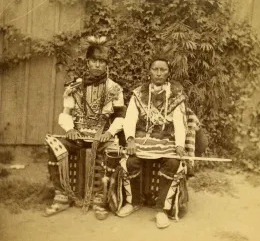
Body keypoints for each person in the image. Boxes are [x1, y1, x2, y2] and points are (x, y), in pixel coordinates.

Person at [44, 36, 126, 220]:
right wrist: (70, 129)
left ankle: (100, 199)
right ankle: (61, 196)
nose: (97, 65)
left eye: (101, 62)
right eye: (94, 61)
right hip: (78, 135)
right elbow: (65, 113)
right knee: (55, 146)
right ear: (88, 62)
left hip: (102, 135)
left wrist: (109, 132)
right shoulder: (75, 86)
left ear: (106, 65)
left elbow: (121, 116)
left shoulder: (115, 89)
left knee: (113, 151)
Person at [117, 54, 190, 229]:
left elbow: (180, 122)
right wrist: (131, 139)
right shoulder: (139, 93)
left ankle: (162, 210)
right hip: (143, 138)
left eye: (162, 70)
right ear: (149, 71)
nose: (158, 73)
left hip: (166, 138)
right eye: (155, 69)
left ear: (168, 72)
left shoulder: (176, 94)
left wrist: (179, 144)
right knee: (130, 161)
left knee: (173, 162)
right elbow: (130, 119)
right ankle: (133, 201)